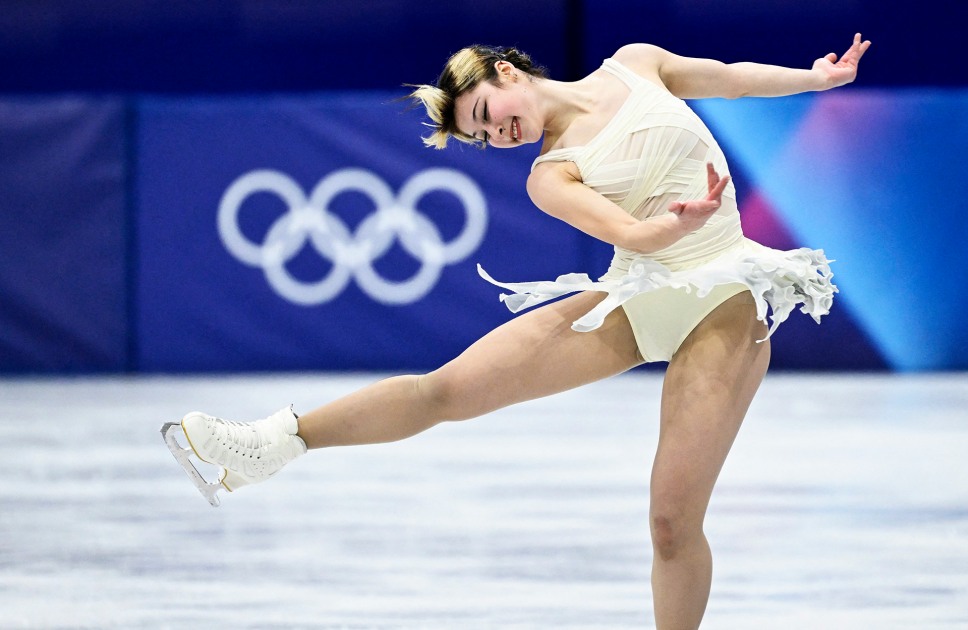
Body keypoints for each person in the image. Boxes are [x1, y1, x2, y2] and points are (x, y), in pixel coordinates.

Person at [168, 34, 870, 629]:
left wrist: (815, 78)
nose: (495, 134)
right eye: (481, 136)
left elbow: (729, 82)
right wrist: (670, 224)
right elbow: (632, 235)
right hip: (637, 294)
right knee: (445, 390)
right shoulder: (550, 175)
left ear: (507, 72)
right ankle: (272, 444)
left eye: (486, 114)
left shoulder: (636, 62)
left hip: (728, 296)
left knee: (670, 522)